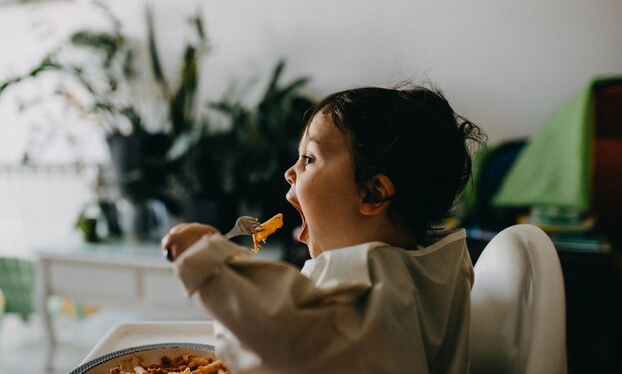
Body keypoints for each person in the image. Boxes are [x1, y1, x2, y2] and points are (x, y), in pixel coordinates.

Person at [162, 83, 485, 374]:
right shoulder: (435, 268)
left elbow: (284, 335)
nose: (291, 172)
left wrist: (209, 261)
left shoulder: (369, 285)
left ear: (372, 193)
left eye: (309, 159)